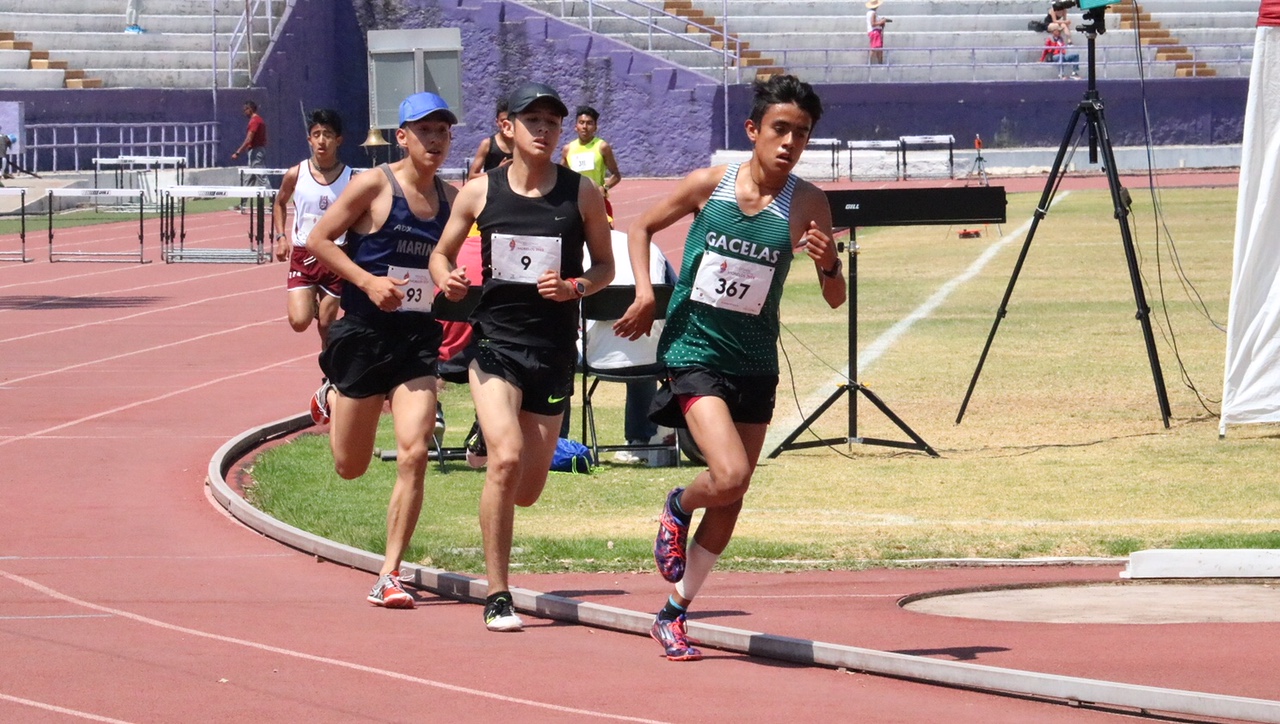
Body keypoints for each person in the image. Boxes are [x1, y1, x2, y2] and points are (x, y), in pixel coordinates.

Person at [615, 74, 847, 661]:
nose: (790, 142)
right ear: (754, 130)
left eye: (803, 133)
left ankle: (673, 613)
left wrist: (829, 266)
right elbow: (640, 227)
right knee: (729, 473)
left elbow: (836, 298)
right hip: (695, 353)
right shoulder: (709, 185)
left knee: (734, 494)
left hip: (755, 362)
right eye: (780, 129)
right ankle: (676, 506)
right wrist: (646, 293)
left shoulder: (810, 202)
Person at [430, 81, 614, 632]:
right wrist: (451, 280)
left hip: (553, 350)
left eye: (552, 123)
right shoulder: (478, 192)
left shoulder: (580, 194)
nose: (544, 130)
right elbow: (441, 256)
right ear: (506, 128)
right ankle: (498, 593)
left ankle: (487, 435)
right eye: (532, 120)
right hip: (497, 346)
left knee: (529, 491)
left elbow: (604, 267)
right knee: (506, 461)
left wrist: (577, 288)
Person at [304, 92, 460, 609]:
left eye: (442, 131)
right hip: (365, 335)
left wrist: (452, 282)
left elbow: (449, 259)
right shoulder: (374, 185)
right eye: (424, 131)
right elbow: (319, 240)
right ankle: (333, 390)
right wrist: (368, 282)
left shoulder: (454, 199)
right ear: (402, 136)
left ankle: (389, 572)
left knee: (414, 452)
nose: (434, 141)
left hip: (417, 340)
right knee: (350, 466)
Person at [582, 229, 676, 464]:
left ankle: (556, 442)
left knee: (555, 355)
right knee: (641, 345)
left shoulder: (573, 249)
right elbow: (674, 292)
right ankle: (641, 440)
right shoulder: (651, 248)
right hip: (654, 357)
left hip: (597, 358)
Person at [272, 109, 353, 350]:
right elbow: (279, 203)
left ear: (338, 140)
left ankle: (330, 374)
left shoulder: (351, 179)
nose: (321, 140)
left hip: (335, 255)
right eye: (316, 134)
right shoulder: (296, 174)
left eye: (327, 134)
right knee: (299, 321)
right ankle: (312, 305)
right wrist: (281, 237)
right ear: (309, 139)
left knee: (327, 325)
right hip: (303, 256)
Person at [560, 105, 622, 218]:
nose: (585, 127)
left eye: (589, 123)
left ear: (595, 127)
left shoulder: (602, 147)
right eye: (581, 122)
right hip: (576, 202)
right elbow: (560, 176)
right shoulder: (568, 149)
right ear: (575, 126)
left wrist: (604, 187)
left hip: (598, 201)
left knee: (603, 235)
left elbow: (616, 175)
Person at [231, 100, 270, 210]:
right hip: (255, 151)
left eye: (245, 110)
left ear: (250, 109)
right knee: (249, 179)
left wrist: (238, 152)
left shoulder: (255, 121)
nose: (244, 112)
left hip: (256, 152)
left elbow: (249, 138)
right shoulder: (259, 121)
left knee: (262, 177)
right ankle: (243, 203)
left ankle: (274, 203)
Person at [466, 98, 514, 181]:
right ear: (497, 122)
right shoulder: (488, 144)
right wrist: (498, 171)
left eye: (509, 120)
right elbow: (472, 176)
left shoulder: (521, 144)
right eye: (502, 121)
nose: (506, 125)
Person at [866, 0, 891, 65]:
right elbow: (873, 24)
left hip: (875, 32)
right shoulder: (873, 13)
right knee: (874, 48)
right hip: (875, 32)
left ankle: (878, 63)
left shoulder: (869, 13)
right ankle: (871, 63)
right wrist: (882, 22)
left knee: (878, 48)